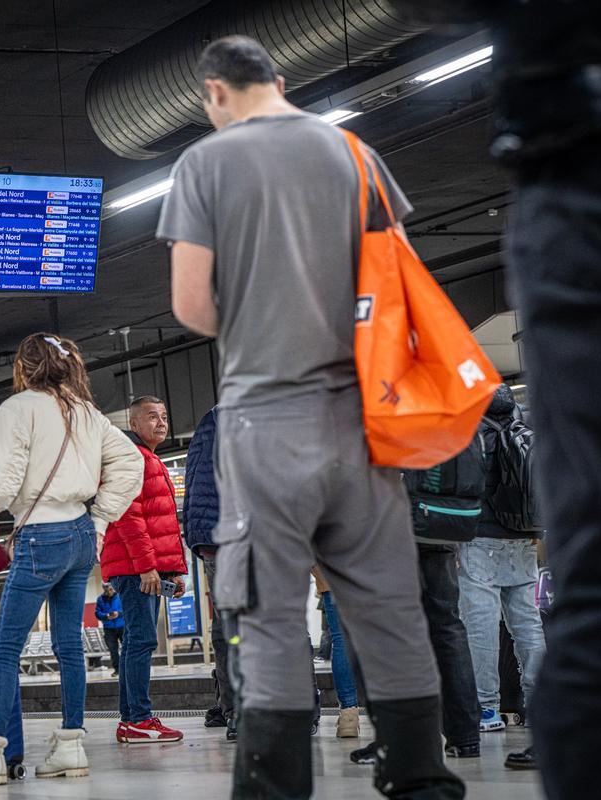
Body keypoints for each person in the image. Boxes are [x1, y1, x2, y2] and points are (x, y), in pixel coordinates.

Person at [160, 36, 463, 798]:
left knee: (266, 614)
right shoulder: (353, 155)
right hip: (365, 424)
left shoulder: (206, 162)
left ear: (214, 95)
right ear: (280, 81)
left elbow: (192, 304)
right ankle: (423, 779)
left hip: (266, 423)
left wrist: (261, 315)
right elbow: (392, 278)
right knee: (389, 609)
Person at [386, 3, 601, 790]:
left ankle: (496, 717)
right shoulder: (507, 418)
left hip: (591, 145)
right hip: (500, 531)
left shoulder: (462, 416)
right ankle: (494, 714)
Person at [0, 333, 143, 787]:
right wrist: (101, 520)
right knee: (69, 645)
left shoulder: (19, 408)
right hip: (80, 535)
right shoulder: (88, 413)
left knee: (5, 648)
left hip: (40, 536)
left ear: (25, 368)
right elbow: (132, 465)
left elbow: (1, 486)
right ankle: (70, 746)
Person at [353, 439, 487, 766]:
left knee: (382, 629)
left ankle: (395, 738)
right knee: (447, 626)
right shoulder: (436, 398)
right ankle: (465, 736)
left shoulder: (380, 395)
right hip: (438, 519)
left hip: (390, 516)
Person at [100, 396, 190, 744]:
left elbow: (161, 524)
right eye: (152, 417)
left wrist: (172, 571)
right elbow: (127, 516)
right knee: (141, 641)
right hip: (134, 569)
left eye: (164, 416)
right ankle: (138, 718)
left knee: (137, 642)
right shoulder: (131, 458)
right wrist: (148, 568)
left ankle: (130, 720)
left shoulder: (149, 459)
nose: (161, 422)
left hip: (145, 569)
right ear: (134, 424)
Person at [459, 387, 546, 733]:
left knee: (480, 628)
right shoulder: (523, 425)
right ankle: (539, 705)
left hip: (481, 539)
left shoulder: (472, 433)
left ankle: (487, 710)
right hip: (524, 538)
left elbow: (464, 485)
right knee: (528, 625)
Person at [182, 406, 237, 741]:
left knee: (227, 628)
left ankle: (234, 712)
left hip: (214, 537)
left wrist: (198, 537)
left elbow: (194, 480)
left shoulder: (210, 419)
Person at [310, 568, 361, 738]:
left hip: (330, 577)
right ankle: (388, 713)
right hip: (367, 576)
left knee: (341, 641)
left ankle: (349, 716)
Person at [94, 582, 124, 676]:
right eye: (106, 588)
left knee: (126, 648)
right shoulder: (100, 599)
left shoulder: (120, 596)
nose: (109, 590)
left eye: (110, 588)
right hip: (109, 628)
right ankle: (117, 669)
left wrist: (118, 614)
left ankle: (127, 668)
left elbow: (127, 609)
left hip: (122, 626)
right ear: (104, 589)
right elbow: (97, 613)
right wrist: (106, 616)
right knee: (113, 650)